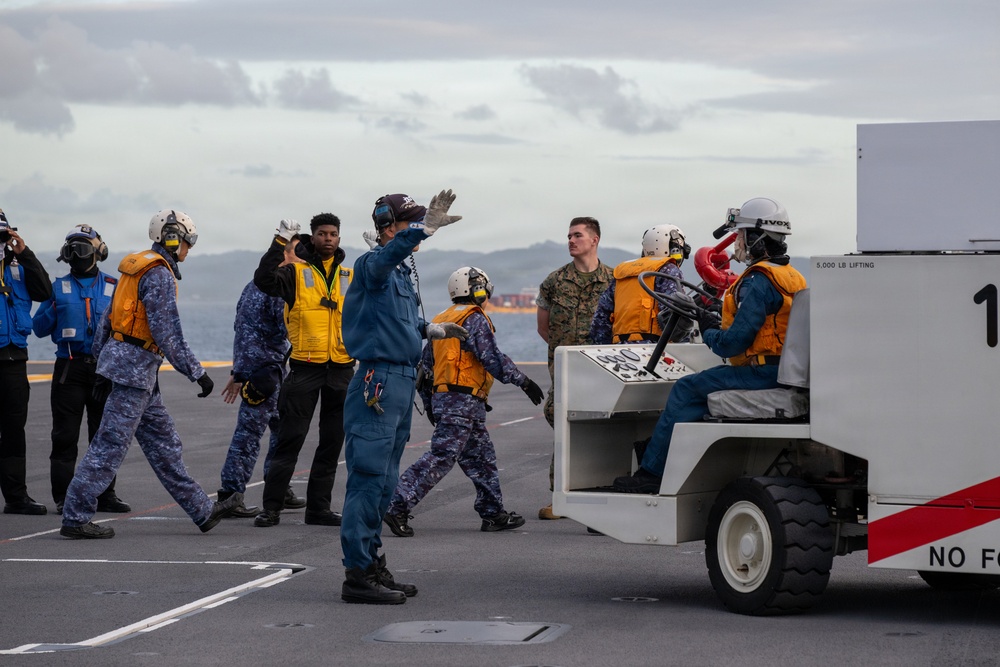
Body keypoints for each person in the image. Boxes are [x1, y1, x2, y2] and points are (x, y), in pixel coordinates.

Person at [60, 209, 243, 538]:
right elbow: (166, 332)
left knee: (165, 444)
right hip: (134, 372)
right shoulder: (158, 274)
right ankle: (75, 515)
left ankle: (201, 510)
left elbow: (108, 319)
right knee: (109, 445)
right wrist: (197, 373)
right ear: (173, 238)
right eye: (188, 241)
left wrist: (102, 363)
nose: (189, 248)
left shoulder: (135, 266)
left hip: (135, 371)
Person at [613, 197, 806, 493]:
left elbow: (731, 344)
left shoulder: (758, 280)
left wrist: (706, 325)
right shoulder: (792, 276)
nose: (736, 243)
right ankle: (670, 458)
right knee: (698, 393)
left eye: (740, 236)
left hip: (762, 373)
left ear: (757, 239)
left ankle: (650, 474)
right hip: (782, 370)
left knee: (686, 389)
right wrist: (714, 313)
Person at [339, 190, 466, 605]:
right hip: (378, 380)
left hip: (399, 382)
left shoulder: (397, 276)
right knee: (368, 480)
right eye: (408, 221)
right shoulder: (373, 264)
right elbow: (384, 259)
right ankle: (357, 574)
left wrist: (427, 330)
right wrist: (423, 231)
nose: (415, 227)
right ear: (387, 226)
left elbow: (395, 319)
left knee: (386, 481)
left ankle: (372, 562)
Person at [383, 266, 544, 538]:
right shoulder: (475, 318)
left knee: (482, 458)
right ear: (476, 289)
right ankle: (397, 505)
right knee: (442, 456)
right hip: (463, 401)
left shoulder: (442, 319)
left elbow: (426, 368)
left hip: (455, 401)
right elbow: (491, 357)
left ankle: (493, 513)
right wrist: (523, 381)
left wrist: (432, 404)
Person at [251, 213, 353, 528]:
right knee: (290, 440)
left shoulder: (351, 275)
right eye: (322, 233)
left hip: (341, 368)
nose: (328, 238)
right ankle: (271, 508)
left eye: (333, 233)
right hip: (305, 367)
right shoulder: (296, 273)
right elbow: (264, 279)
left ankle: (318, 509)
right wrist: (280, 240)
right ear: (312, 237)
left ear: (339, 237)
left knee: (332, 442)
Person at [32, 225, 131, 515]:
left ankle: (105, 495)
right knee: (65, 437)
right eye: (72, 249)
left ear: (99, 252)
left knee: (104, 435)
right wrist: (56, 307)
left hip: (104, 371)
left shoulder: (116, 285)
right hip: (69, 368)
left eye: (84, 248)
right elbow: (38, 328)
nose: (77, 254)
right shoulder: (57, 288)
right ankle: (64, 497)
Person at [535, 217, 613, 520]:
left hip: (601, 369)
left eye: (577, 235)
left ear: (594, 240)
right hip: (566, 369)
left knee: (603, 427)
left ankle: (601, 493)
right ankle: (560, 498)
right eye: (568, 236)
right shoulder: (554, 282)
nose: (571, 240)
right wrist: (562, 352)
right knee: (560, 422)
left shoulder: (613, 280)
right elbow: (543, 328)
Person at [216, 279, 302, 519]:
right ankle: (231, 494)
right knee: (251, 436)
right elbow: (291, 328)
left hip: (259, 369)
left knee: (279, 430)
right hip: (268, 371)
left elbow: (241, 330)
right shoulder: (278, 289)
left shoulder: (253, 286)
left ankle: (278, 486)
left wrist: (239, 371)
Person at [0, 210, 52, 515]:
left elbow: (44, 292)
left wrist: (25, 253)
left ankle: (16, 498)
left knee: (14, 431)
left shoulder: (19, 267)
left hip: (15, 360)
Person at [588, 224, 690, 345]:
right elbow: (675, 320)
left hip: (618, 351)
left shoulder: (622, 272)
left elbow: (599, 323)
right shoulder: (669, 270)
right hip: (654, 351)